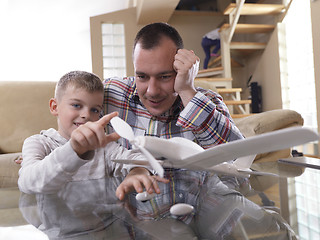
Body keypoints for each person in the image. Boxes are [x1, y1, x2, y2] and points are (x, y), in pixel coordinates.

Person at [103, 23, 297, 239]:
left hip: (202, 222)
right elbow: (68, 118)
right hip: (133, 223)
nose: (152, 91)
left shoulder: (206, 101)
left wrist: (186, 90)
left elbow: (236, 159)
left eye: (165, 77)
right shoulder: (111, 93)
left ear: (181, 70)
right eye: (142, 76)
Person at [18, 70, 168, 195]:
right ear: (54, 107)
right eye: (76, 105)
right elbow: (28, 183)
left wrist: (137, 172)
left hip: (100, 226)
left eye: (94, 110)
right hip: (55, 228)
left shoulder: (104, 148)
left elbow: (141, 159)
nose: (86, 115)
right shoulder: (38, 142)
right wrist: (74, 149)